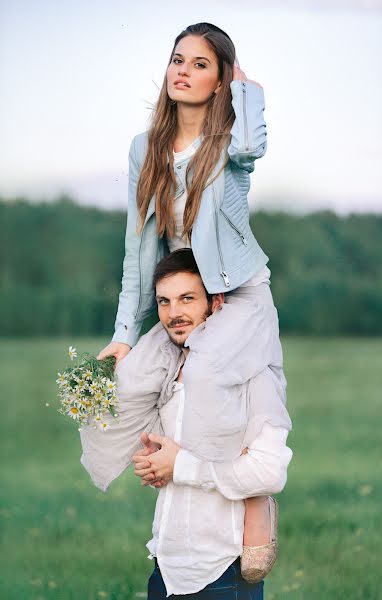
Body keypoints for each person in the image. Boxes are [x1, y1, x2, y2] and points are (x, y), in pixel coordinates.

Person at [93, 20, 289, 585]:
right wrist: (125, 333)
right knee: (132, 386)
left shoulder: (229, 145)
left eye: (200, 64)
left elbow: (254, 144)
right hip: (184, 295)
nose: (183, 71)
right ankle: (174, 493)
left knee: (212, 385)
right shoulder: (144, 148)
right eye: (178, 59)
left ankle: (256, 506)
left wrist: (245, 93)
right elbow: (137, 246)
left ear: (220, 79)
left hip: (238, 293)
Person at [129, 249, 293, 598]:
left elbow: (270, 472)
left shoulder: (254, 374)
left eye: (187, 298)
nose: (174, 313)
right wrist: (156, 466)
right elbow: (183, 461)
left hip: (223, 573)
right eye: (164, 302)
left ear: (216, 302)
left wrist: (182, 466)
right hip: (165, 569)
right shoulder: (171, 372)